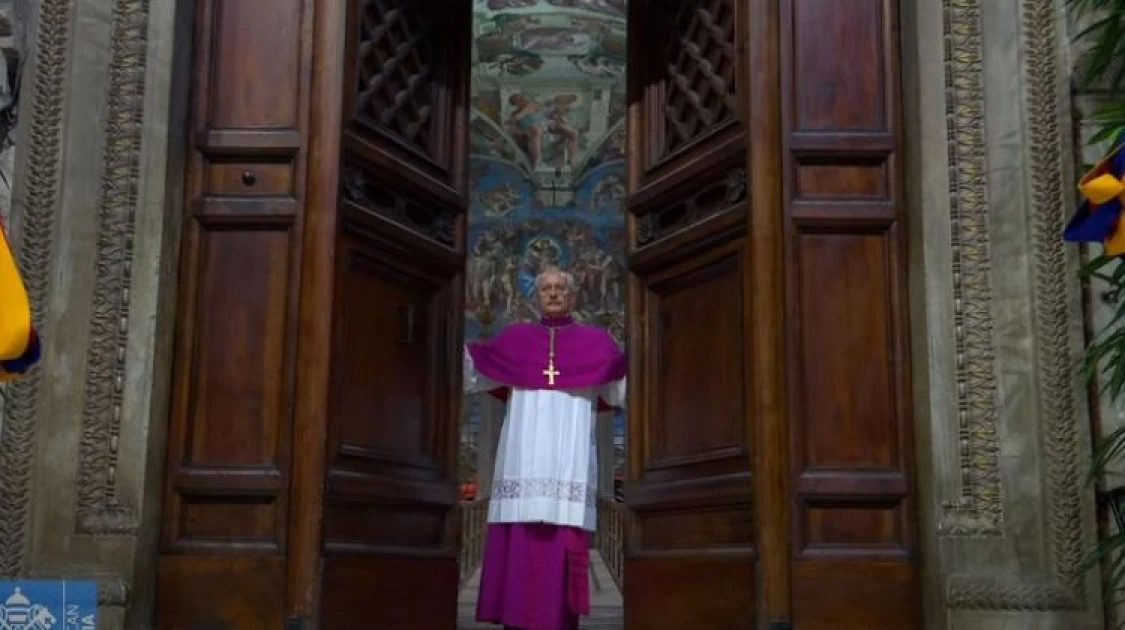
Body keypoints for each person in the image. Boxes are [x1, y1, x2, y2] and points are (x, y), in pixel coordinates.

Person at [464, 267, 627, 630]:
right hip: (520, 463)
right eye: (546, 289)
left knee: (558, 561)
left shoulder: (596, 344)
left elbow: (619, 389)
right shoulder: (515, 339)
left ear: (572, 296)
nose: (553, 294)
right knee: (519, 553)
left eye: (560, 289)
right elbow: (473, 370)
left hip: (568, 466)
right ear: (536, 296)